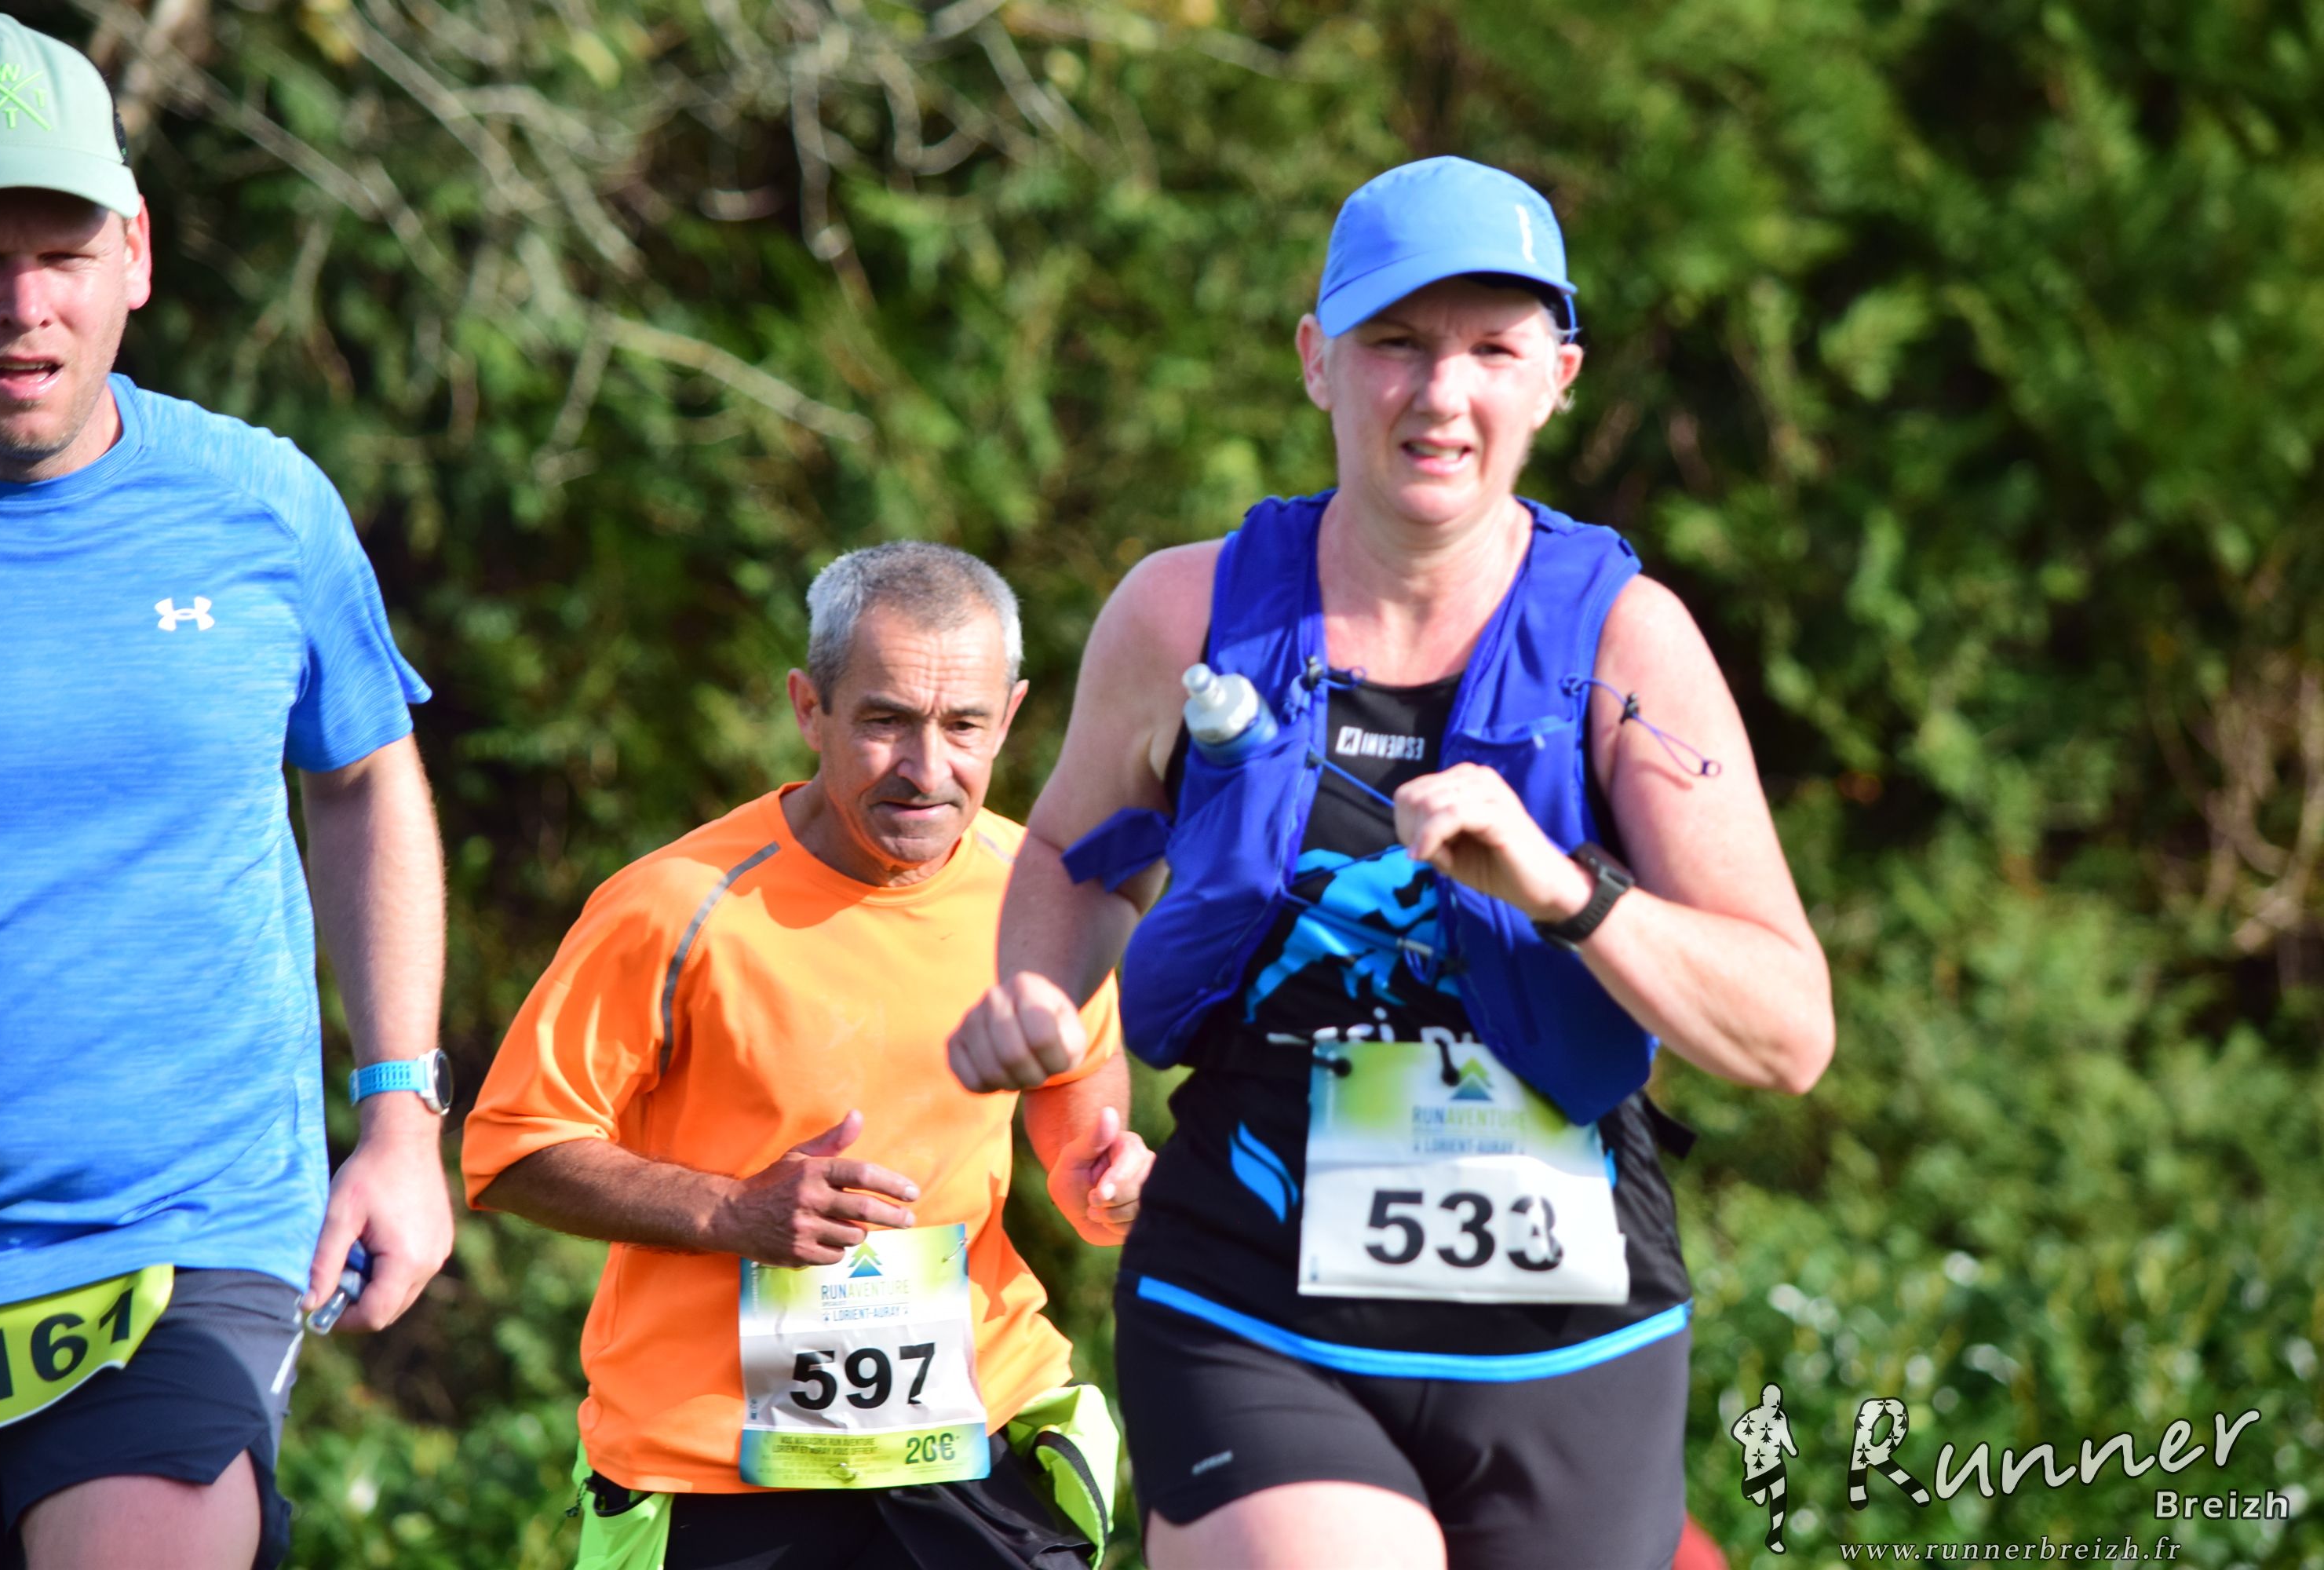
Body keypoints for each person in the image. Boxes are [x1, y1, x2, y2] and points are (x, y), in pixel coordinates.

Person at [948, 156, 1836, 1570]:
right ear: (1317, 361)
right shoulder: (1184, 612)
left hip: (1568, 1331)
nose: (1440, 393)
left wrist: (1566, 890)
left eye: (1493, 350)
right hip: (1250, 1302)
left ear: (1558, 378)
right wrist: (1042, 997)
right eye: (1397, 343)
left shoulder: (1631, 644)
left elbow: (1787, 1033)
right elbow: (1075, 853)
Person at [0, 12, 452, 1569]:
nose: (21, 306)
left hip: (171, 1247)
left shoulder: (259, 507)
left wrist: (400, 1114)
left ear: (135, 255)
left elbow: (365, 779)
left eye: (59, 253)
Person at [464, 542, 1151, 1570]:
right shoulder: (675, 906)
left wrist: (1104, 1178)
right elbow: (514, 1150)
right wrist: (731, 1212)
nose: (928, 770)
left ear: (1010, 717)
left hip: (974, 1434)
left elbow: (1077, 1097)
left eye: (964, 726)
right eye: (885, 722)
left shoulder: (1041, 892)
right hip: (718, 1467)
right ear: (809, 709)